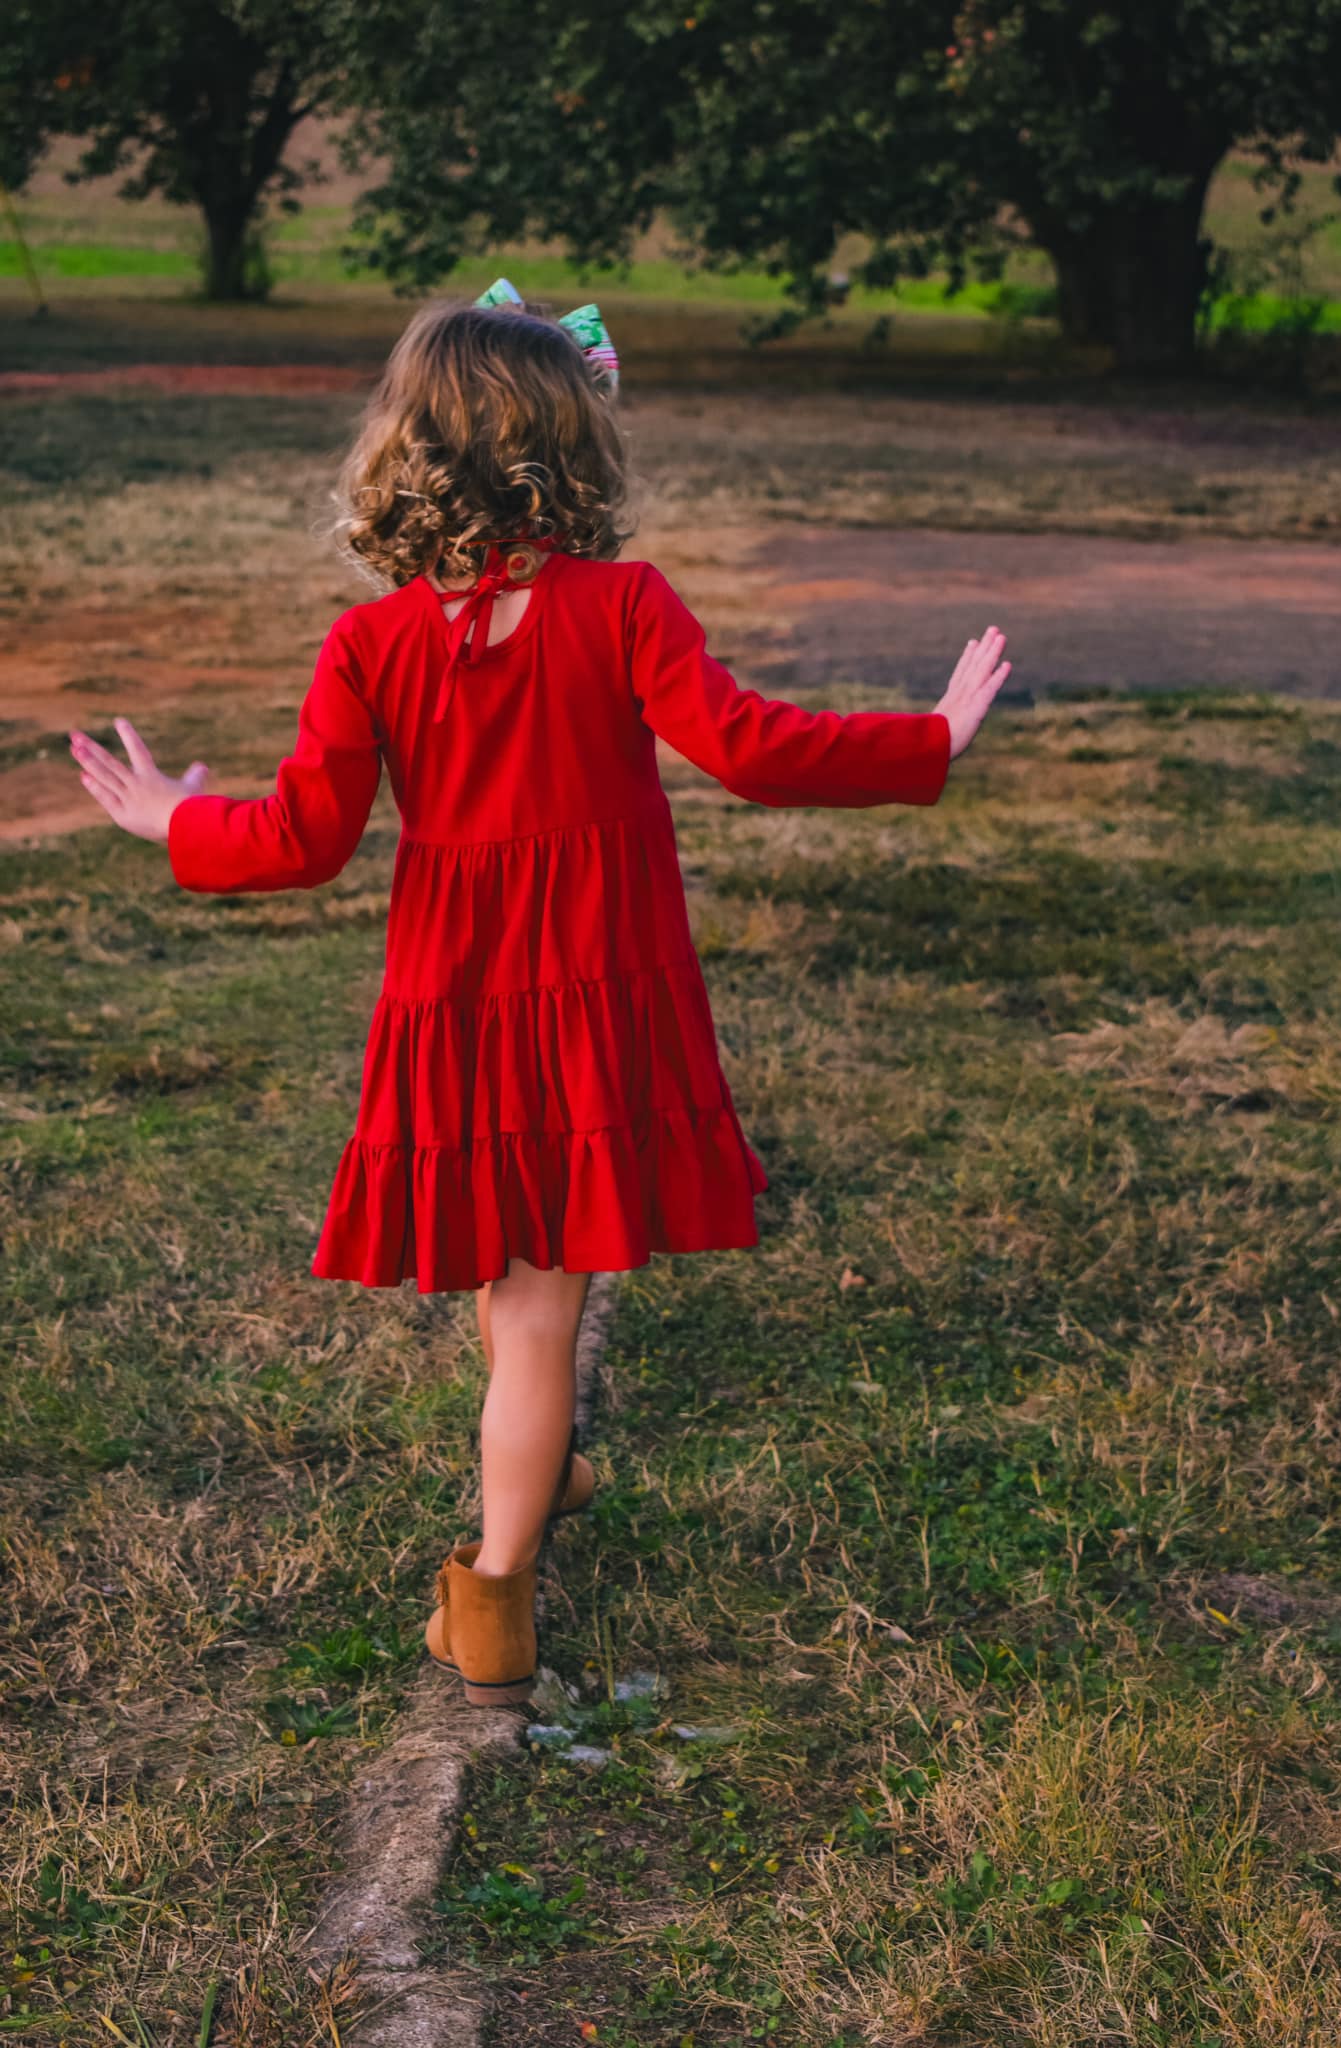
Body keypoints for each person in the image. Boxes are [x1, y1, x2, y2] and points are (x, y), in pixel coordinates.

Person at [68, 292, 1011, 1706]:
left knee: (517, 1286)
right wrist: (927, 736)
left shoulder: (372, 643)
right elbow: (752, 749)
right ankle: (499, 1591)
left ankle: (534, 1491)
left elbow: (302, 841)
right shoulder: (624, 608)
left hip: (454, 1003)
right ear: (576, 447)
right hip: (588, 995)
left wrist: (171, 822)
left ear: (405, 453)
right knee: (532, 1306)